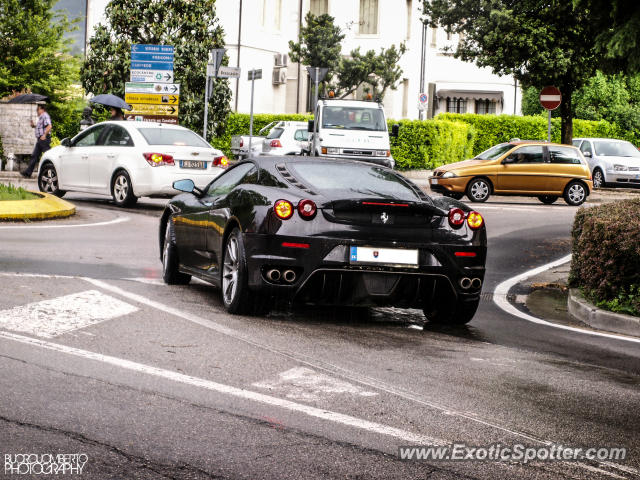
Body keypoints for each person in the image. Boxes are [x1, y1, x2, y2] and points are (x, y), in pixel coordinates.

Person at [22, 104, 51, 178]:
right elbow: (41, 127)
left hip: (44, 139)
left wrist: (44, 135)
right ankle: (28, 173)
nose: (37, 111)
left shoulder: (45, 116)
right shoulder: (41, 117)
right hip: (40, 140)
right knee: (34, 156)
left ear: (42, 109)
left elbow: (49, 126)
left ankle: (51, 172)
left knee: (48, 157)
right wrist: (33, 125)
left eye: (38, 110)